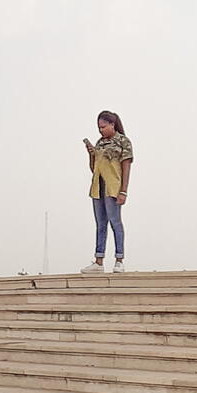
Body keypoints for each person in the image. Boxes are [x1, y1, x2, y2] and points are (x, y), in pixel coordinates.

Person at [81, 110, 133, 273]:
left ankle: (119, 259)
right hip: (98, 188)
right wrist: (91, 154)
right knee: (100, 224)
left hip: (113, 187)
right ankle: (98, 260)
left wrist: (123, 191)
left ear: (112, 124)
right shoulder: (100, 143)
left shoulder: (123, 142)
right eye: (99, 128)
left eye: (103, 127)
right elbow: (94, 168)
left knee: (115, 222)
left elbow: (126, 167)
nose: (101, 130)